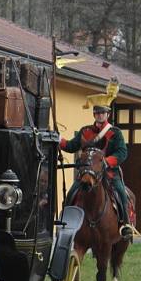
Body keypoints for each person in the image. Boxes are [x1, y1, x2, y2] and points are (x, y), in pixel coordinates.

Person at [59, 90, 133, 240]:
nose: (100, 115)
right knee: (71, 194)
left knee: (121, 194)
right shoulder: (85, 131)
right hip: (87, 173)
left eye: (102, 112)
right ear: (94, 114)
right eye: (97, 112)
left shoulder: (115, 133)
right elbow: (71, 146)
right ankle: (65, 222)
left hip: (109, 173)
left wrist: (107, 161)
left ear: (108, 114)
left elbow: (122, 152)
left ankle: (125, 225)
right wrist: (59, 139)